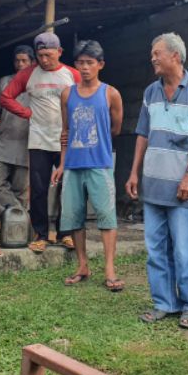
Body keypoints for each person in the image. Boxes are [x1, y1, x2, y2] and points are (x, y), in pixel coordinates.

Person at [126, 32, 188, 330]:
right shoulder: (151, 92)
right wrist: (133, 172)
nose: (152, 58)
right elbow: (142, 134)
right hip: (153, 185)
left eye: (157, 53)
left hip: (183, 187)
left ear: (174, 56)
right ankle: (164, 303)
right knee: (155, 249)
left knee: (185, 250)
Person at [51, 40, 124, 291]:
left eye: (90, 63)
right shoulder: (67, 94)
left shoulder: (110, 93)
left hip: (100, 164)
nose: (84, 68)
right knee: (74, 217)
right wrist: (61, 163)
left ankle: (110, 269)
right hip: (72, 165)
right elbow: (65, 132)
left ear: (100, 65)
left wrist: (99, 143)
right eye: (80, 62)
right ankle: (82, 265)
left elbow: (115, 128)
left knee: (106, 217)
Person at [0, 32, 80, 252]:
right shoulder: (28, 74)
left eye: (48, 55)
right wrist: (25, 112)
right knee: (38, 190)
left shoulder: (71, 75)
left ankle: (66, 233)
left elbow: (86, 98)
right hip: (38, 141)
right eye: (40, 55)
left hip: (66, 142)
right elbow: (5, 97)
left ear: (59, 52)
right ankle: (41, 234)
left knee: (68, 189)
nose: (44, 60)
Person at [0, 45, 34, 213]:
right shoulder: (5, 81)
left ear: (32, 62)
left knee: (21, 189)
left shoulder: (38, 84)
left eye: (24, 61)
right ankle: (18, 216)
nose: (20, 64)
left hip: (27, 141)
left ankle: (16, 231)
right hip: (4, 140)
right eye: (17, 60)